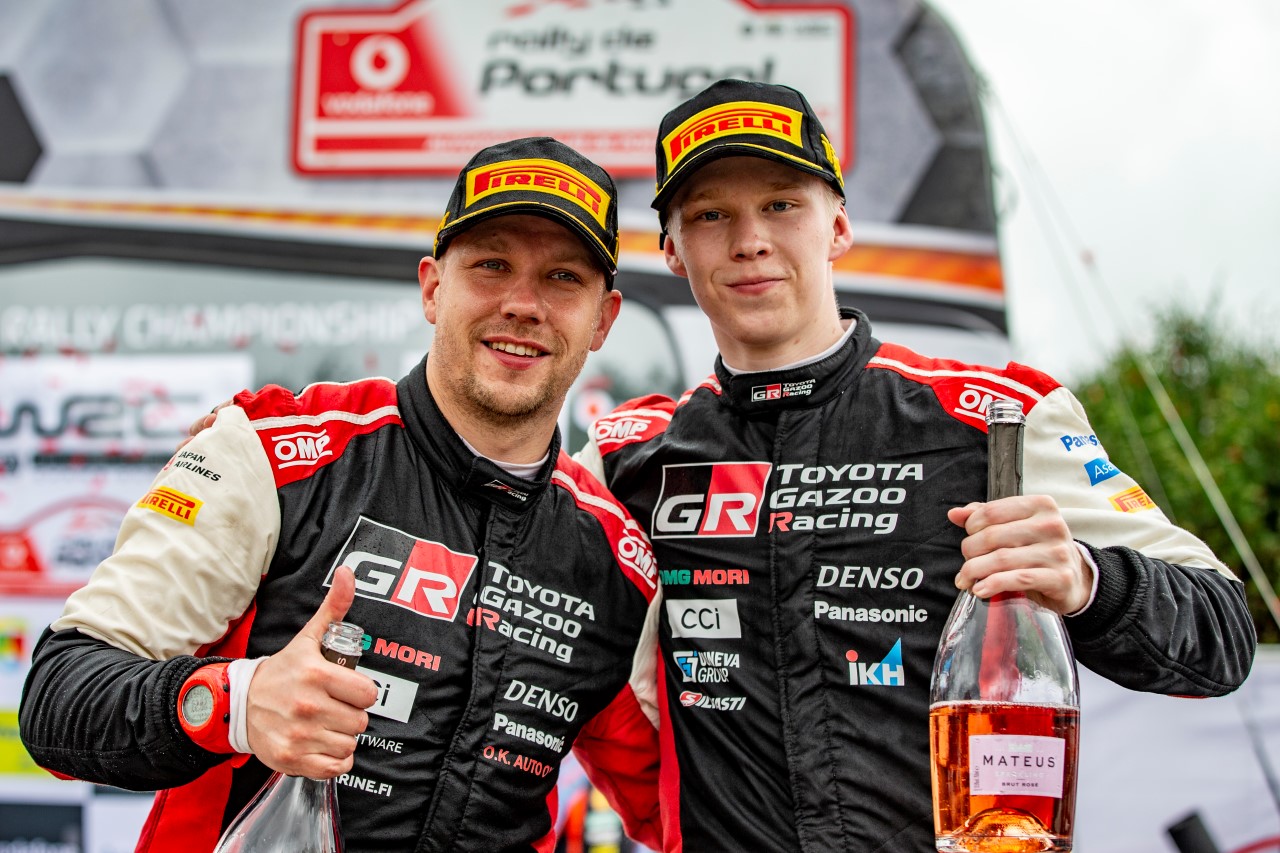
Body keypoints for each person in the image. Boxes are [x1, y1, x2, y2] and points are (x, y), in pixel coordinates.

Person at [577, 79, 1258, 851]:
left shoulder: (995, 417)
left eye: (781, 204)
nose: (750, 239)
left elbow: (1223, 636)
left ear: (838, 226)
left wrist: (1088, 580)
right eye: (710, 215)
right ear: (671, 249)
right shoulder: (626, 457)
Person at [19, 137, 663, 853]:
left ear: (602, 319)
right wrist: (235, 702)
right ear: (432, 287)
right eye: (492, 265)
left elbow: (677, 803)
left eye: (563, 277)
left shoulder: (617, 561)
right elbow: (57, 696)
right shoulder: (274, 456)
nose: (523, 304)